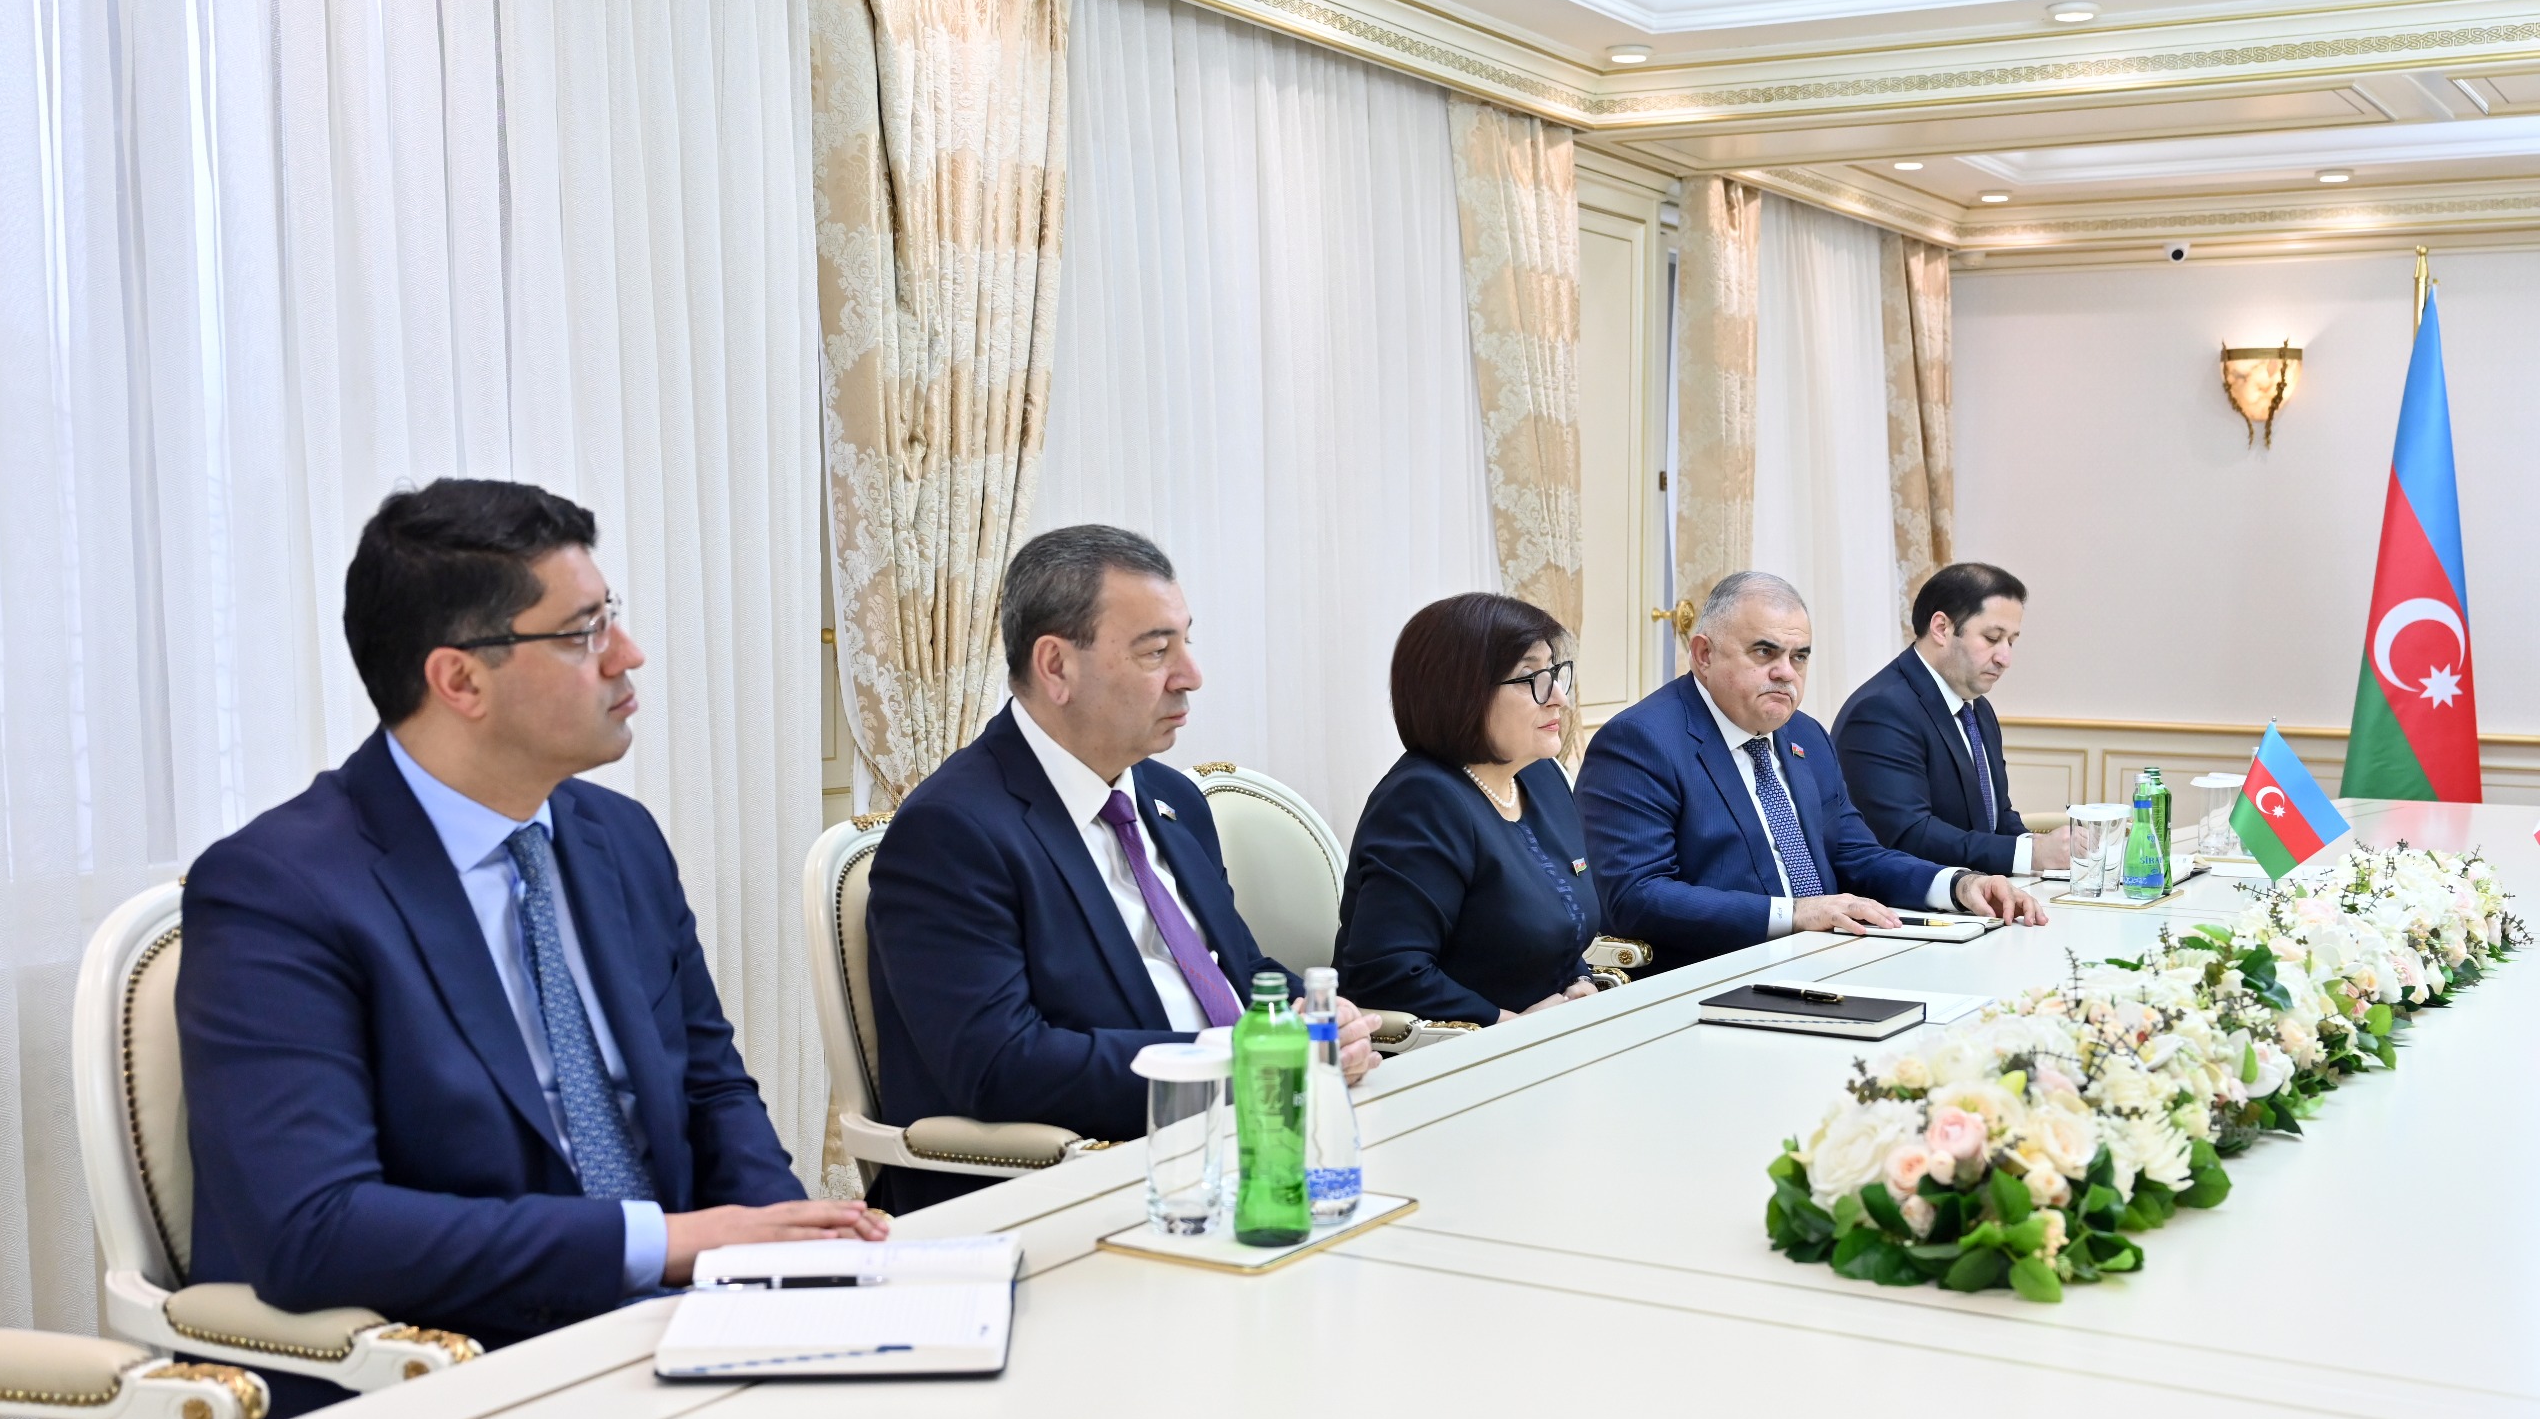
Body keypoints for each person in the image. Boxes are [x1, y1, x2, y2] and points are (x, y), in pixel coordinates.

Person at [176, 480, 881, 1419]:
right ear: (460, 681)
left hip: (685, 1336)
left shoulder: (616, 838)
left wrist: (785, 1257)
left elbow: (710, 1089)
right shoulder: (278, 889)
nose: (628, 654)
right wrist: (667, 1243)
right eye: (584, 632)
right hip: (443, 1380)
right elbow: (316, 1228)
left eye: (610, 616)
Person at [866, 525, 1379, 1214]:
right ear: (1056, 667)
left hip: (1255, 1150)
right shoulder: (952, 831)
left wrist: (1316, 1021)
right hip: (1072, 1192)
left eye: (1186, 643)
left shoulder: (1172, 798)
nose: (1190, 675)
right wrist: (1249, 1065)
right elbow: (1000, 1066)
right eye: (1156, 652)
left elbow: (1237, 972)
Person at [1574, 571, 2048, 969]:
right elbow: (1636, 896)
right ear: (1703, 654)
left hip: (1830, 959)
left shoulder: (1806, 735)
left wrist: (1960, 884)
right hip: (1715, 973)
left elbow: (1857, 854)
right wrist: (1793, 914)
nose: (1786, 672)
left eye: (1799, 656)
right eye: (1765, 653)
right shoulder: (1640, 742)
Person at [1336, 594, 1599, 1024]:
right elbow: (1387, 975)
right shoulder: (1422, 802)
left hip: (1550, 1035)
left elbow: (1559, 922)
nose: (1559, 698)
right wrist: (1510, 1025)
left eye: (1554, 672)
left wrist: (1578, 981)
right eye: (1531, 677)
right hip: (1450, 1052)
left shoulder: (1541, 776)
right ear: (1462, 693)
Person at [1832, 561, 2069, 876]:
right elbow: (1908, 836)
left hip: (1978, 891)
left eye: (2011, 641)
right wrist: (2031, 854)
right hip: (1908, 901)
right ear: (1941, 628)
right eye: (1992, 638)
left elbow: (1997, 816)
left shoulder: (1977, 707)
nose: (2005, 658)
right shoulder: (1880, 710)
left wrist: (2043, 848)